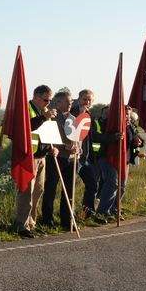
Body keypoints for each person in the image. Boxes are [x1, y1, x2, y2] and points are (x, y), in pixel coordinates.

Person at [12, 85, 57, 238]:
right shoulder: (26, 109)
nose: (48, 103)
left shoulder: (44, 112)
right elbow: (26, 127)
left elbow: (45, 133)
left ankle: (32, 223)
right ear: (36, 96)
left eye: (50, 100)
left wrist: (52, 147)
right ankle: (22, 225)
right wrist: (44, 117)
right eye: (46, 100)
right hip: (28, 157)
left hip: (42, 156)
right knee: (26, 192)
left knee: (38, 191)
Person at [39, 90, 78, 232]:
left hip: (72, 159)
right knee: (51, 188)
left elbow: (77, 137)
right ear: (59, 102)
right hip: (56, 157)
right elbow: (49, 137)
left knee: (69, 190)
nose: (70, 104)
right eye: (68, 102)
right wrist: (64, 146)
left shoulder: (74, 118)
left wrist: (77, 147)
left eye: (71, 102)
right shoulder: (52, 117)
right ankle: (47, 219)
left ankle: (67, 219)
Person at [71, 89, 101, 219]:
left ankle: (87, 212)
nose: (87, 102)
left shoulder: (89, 114)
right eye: (84, 99)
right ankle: (67, 216)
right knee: (69, 187)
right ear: (79, 99)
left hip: (85, 158)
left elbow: (93, 136)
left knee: (93, 184)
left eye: (89, 100)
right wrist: (81, 115)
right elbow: (72, 131)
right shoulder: (72, 112)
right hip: (73, 157)